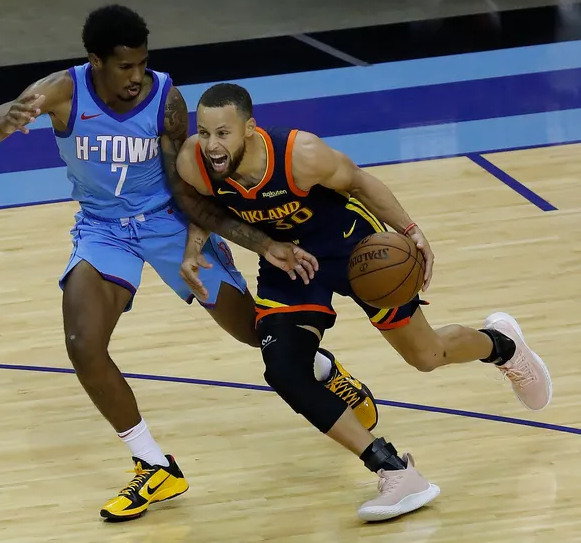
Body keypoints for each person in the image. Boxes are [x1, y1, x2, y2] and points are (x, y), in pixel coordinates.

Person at [0, 5, 379, 522]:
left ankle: (321, 367)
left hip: (169, 221)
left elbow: (192, 186)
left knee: (256, 333)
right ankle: (154, 465)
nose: (137, 77)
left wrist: (229, 243)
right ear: (95, 61)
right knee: (83, 345)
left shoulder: (167, 100)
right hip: (103, 229)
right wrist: (2, 121)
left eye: (142, 64)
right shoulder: (59, 93)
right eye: (124, 67)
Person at [175, 82, 553, 522]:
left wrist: (411, 231)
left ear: (251, 130)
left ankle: (503, 345)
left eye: (223, 134)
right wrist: (194, 248)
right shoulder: (195, 162)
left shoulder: (302, 155)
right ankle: (394, 470)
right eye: (203, 133)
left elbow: (360, 182)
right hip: (289, 263)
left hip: (357, 252)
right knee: (282, 369)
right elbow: (203, 207)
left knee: (426, 356)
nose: (211, 145)